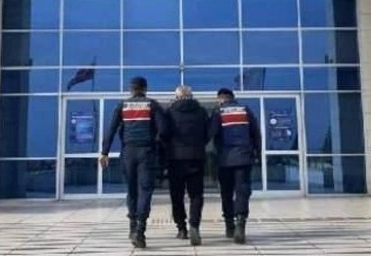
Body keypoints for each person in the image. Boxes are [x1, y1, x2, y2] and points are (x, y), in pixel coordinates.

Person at [100, 77, 165, 249]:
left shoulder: (122, 105)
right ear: (145, 89)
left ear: (131, 89)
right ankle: (140, 231)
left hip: (128, 152)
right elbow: (163, 129)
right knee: (145, 190)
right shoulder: (152, 105)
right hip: (146, 152)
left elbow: (111, 129)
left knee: (132, 190)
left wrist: (104, 152)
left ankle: (132, 226)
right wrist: (157, 145)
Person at [210, 88, 261, 244]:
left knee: (226, 193)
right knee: (242, 191)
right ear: (232, 97)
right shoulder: (245, 110)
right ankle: (241, 223)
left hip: (225, 159)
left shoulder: (218, 112)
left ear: (220, 98)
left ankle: (229, 226)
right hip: (244, 158)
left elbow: (212, 132)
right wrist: (257, 153)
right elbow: (256, 133)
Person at [162, 85, 210, 246]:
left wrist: (167, 149)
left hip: (175, 158)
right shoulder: (201, 111)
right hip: (196, 157)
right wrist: (200, 145)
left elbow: (163, 133)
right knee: (196, 195)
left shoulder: (169, 112)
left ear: (177, 97)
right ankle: (194, 225)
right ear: (191, 96)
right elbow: (208, 132)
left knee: (177, 195)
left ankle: (181, 228)